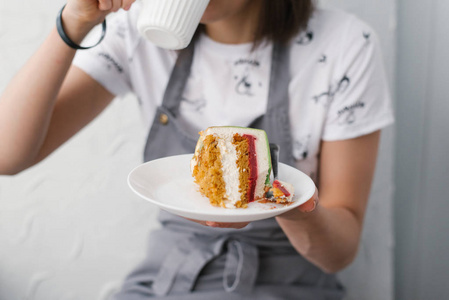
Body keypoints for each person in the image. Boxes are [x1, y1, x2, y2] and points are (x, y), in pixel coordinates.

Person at [0, 0, 394, 299]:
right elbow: (7, 155)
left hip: (288, 283)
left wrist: (288, 205)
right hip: (168, 279)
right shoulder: (135, 35)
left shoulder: (344, 46)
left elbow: (340, 252)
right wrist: (75, 20)